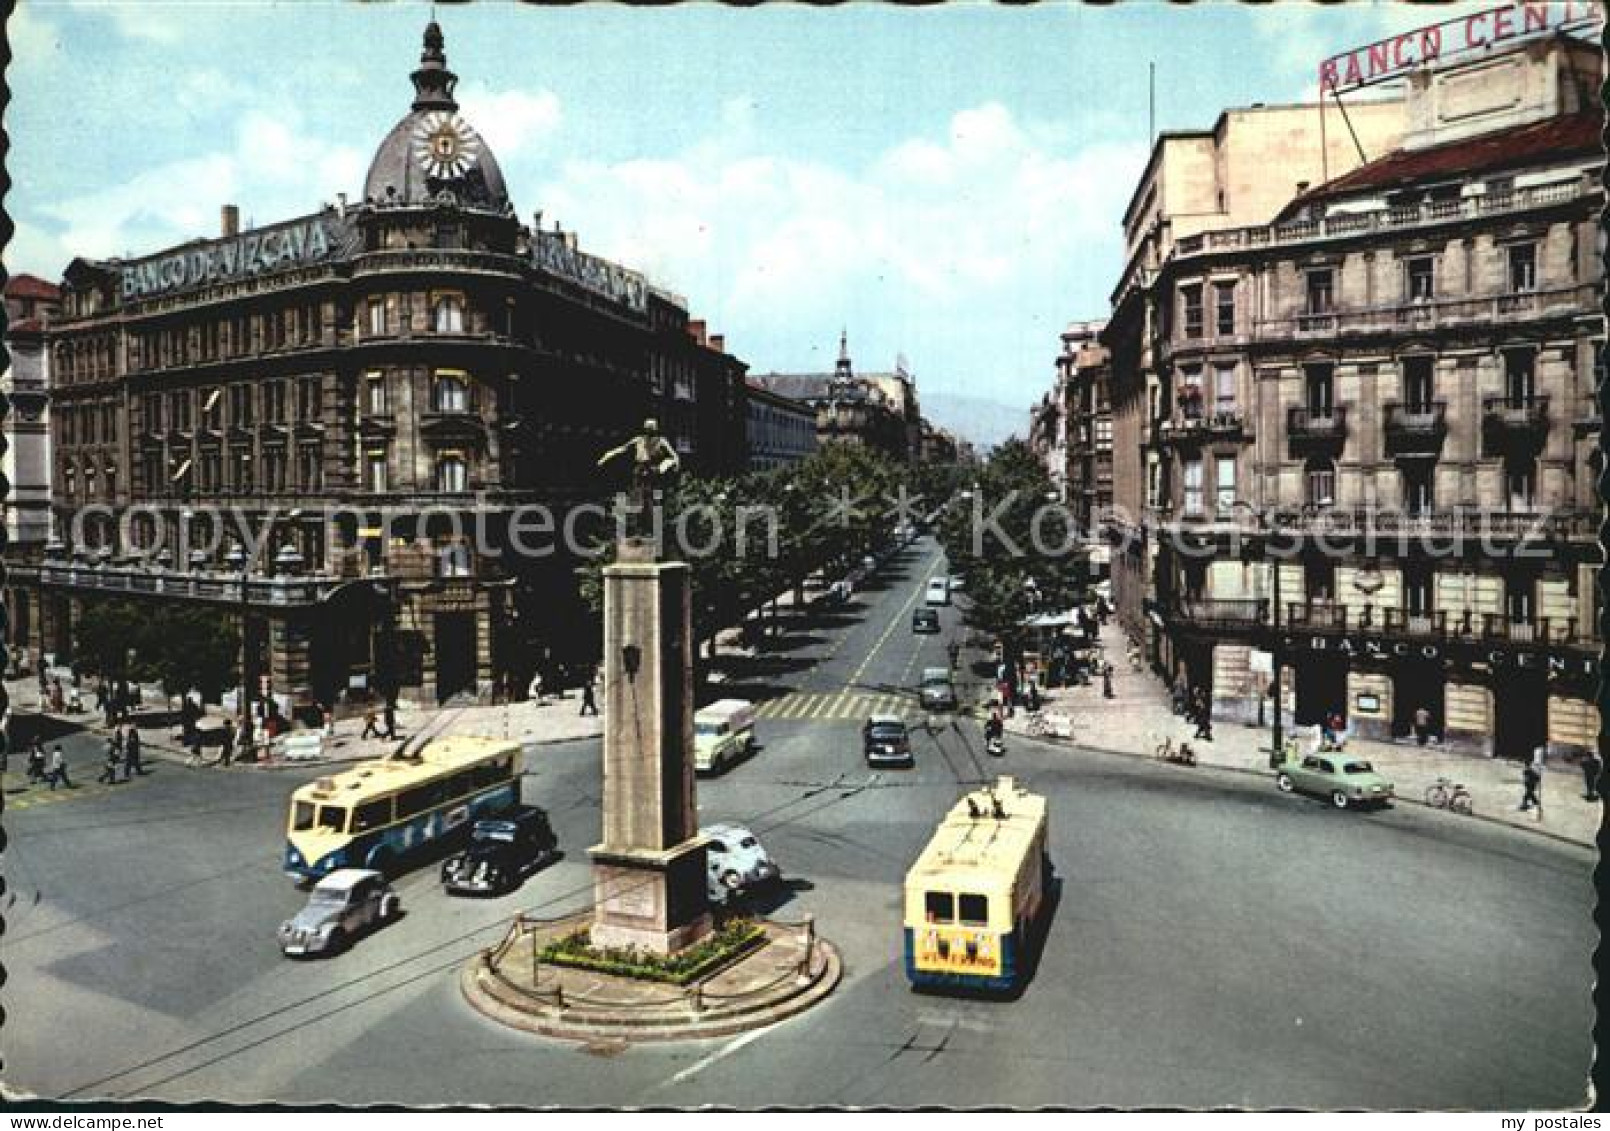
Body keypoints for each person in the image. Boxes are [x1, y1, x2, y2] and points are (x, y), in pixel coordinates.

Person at [1520, 747, 1544, 815]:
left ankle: (1527, 805)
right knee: (1529, 795)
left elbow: (1536, 778)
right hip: (1530, 785)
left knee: (1528, 795)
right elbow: (1529, 778)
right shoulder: (1527, 770)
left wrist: (1535, 779)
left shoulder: (1529, 771)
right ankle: (1529, 805)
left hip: (1531, 785)